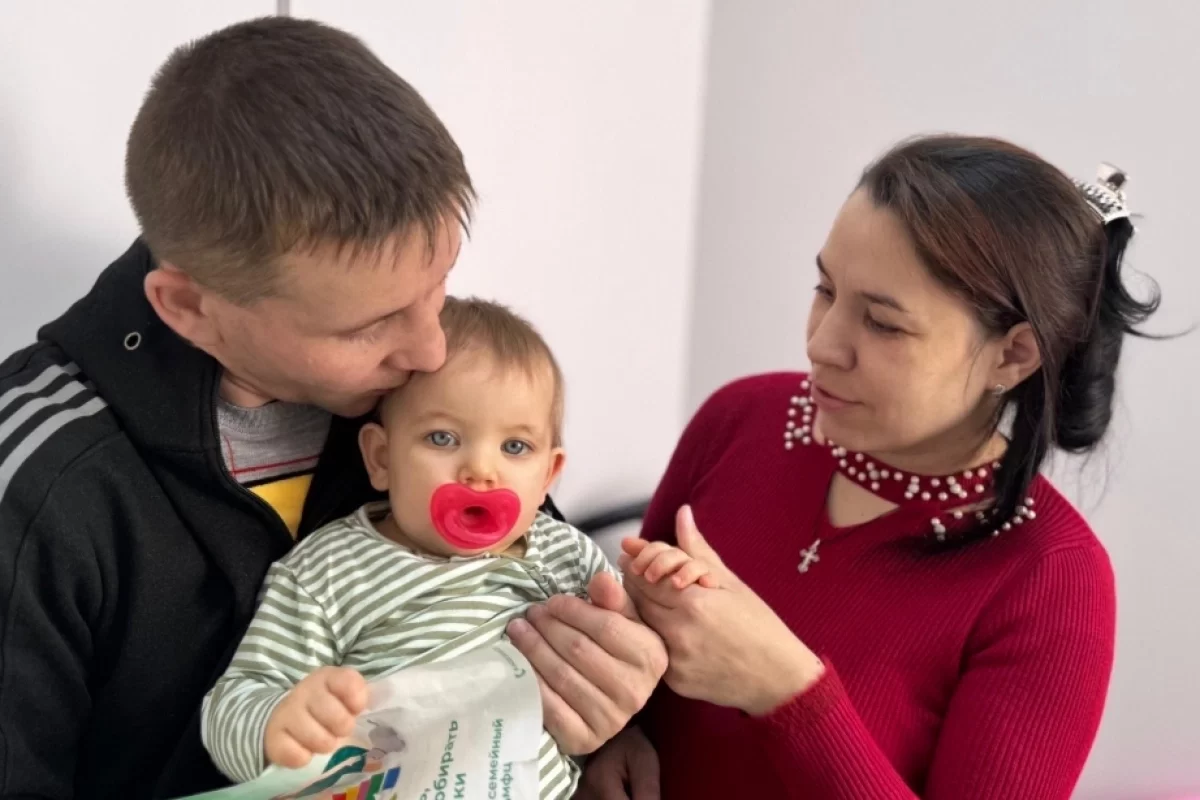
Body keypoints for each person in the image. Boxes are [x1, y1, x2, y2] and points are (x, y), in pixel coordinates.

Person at [0, 18, 663, 800]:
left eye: (438, 285)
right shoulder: (39, 486)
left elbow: (536, 615)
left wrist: (611, 717)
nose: (429, 350)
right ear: (190, 307)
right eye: (367, 327)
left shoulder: (430, 395)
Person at [578, 135, 1159, 799]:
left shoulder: (1051, 578)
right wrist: (612, 733)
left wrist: (786, 691)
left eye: (883, 324)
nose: (822, 345)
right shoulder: (739, 419)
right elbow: (621, 651)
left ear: (1012, 356)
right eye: (825, 289)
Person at [202, 297, 702, 800]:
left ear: (548, 475)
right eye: (442, 438)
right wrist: (277, 727)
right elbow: (233, 702)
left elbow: (628, 651)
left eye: (515, 447)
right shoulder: (329, 569)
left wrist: (662, 590)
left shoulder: (567, 556)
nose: (480, 470)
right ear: (381, 458)